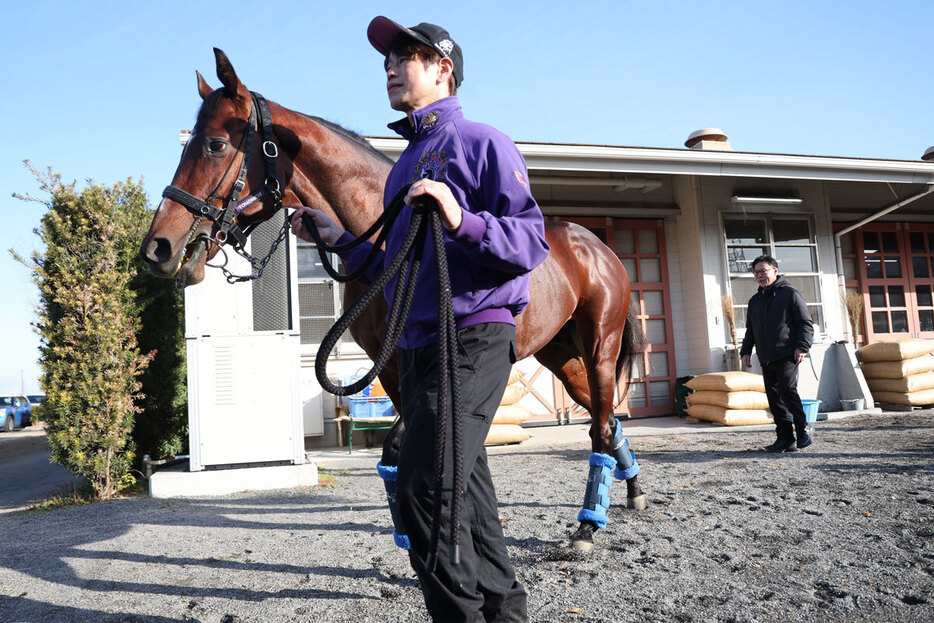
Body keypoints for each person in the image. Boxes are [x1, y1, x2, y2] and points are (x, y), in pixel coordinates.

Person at [291, 16, 549, 622]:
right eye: (387, 58)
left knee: (423, 489)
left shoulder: (484, 142)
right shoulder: (405, 166)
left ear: (443, 69)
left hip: (473, 335)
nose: (389, 66)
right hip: (420, 343)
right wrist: (331, 235)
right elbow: (395, 263)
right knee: (470, 497)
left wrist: (463, 219)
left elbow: (531, 241)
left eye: (406, 56)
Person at [740, 255, 815, 453]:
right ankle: (785, 438)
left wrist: (802, 346)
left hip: (788, 353)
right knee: (774, 399)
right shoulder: (755, 301)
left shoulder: (790, 293)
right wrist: (746, 350)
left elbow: (805, 323)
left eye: (763, 271)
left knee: (787, 391)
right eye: (756, 272)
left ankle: (803, 428)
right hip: (765, 356)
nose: (759, 275)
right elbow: (751, 330)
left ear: (775, 270)